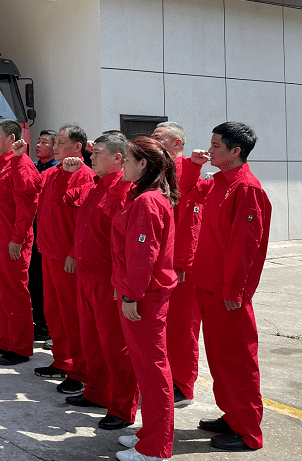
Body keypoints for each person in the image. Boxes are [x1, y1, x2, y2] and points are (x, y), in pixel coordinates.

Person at [182, 122, 271, 452]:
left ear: (236, 152)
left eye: (216, 146)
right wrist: (193, 166)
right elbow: (187, 194)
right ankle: (231, 415)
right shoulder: (218, 182)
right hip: (206, 284)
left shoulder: (247, 189)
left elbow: (245, 245)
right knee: (219, 358)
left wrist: (235, 291)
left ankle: (248, 432)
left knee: (237, 361)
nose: (210, 150)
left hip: (227, 293)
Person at [61, 135, 136, 431]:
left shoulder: (124, 190)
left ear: (119, 159)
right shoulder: (95, 186)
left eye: (99, 153)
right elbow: (71, 208)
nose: (92, 157)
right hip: (87, 277)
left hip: (109, 281)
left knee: (116, 347)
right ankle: (97, 392)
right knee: (92, 341)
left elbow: (126, 242)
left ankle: (122, 406)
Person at [112, 136, 178, 461]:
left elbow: (142, 255)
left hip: (145, 298)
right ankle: (149, 434)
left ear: (143, 165)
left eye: (127, 159)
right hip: (144, 294)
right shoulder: (144, 196)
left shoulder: (147, 202)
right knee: (147, 368)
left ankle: (155, 448)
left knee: (152, 371)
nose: (122, 163)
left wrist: (130, 295)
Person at [33, 124, 94, 396]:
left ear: (77, 147)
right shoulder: (52, 172)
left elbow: (84, 221)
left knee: (73, 316)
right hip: (49, 252)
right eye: (54, 141)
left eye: (60, 142)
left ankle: (80, 371)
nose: (55, 146)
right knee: (54, 312)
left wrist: (72, 253)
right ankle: (62, 360)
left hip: (67, 258)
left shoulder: (85, 176)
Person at [0, 120, 40, 365]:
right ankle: (6, 339)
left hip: (11, 241)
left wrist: (17, 238)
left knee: (14, 294)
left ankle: (21, 347)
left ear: (12, 139)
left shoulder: (21, 164)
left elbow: (27, 205)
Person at [151, 122, 203, 405]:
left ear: (177, 144)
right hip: (161, 263)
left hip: (180, 267)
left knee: (183, 328)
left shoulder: (187, 173)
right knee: (162, 326)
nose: (153, 141)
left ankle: (183, 385)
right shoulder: (160, 173)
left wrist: (182, 264)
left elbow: (190, 226)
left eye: (159, 138)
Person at [30, 130, 57, 342]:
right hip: (35, 233)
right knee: (35, 282)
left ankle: (49, 328)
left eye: (44, 143)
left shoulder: (57, 170)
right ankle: (39, 323)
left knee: (48, 286)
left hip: (51, 236)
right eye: (38, 142)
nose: (39, 145)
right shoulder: (36, 167)